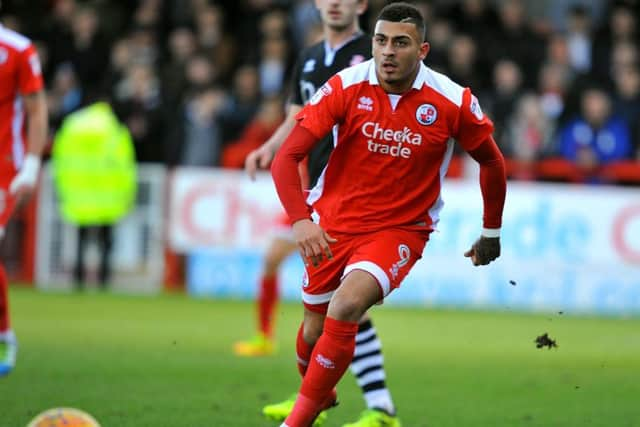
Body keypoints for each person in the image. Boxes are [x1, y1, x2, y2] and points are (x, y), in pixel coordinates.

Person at [270, 3, 506, 426]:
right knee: (311, 333)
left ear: (423, 50)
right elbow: (287, 157)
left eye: (401, 43)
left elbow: (492, 163)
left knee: (345, 307)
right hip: (334, 223)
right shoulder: (345, 85)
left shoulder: (452, 101)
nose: (388, 52)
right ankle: (319, 391)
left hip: (400, 229)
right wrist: (301, 219)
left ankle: (298, 421)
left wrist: (491, 230)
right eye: (381, 41)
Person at [241, 1, 403, 426]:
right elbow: (297, 116)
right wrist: (271, 147)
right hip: (318, 191)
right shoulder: (311, 57)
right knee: (335, 309)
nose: (334, 3)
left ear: (360, 5)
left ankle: (355, 405)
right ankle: (347, 402)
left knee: (343, 306)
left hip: (358, 194)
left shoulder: (375, 57)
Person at [0, 18, 48, 375]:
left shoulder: (17, 48)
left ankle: (4, 335)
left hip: (4, 166)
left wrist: (31, 166)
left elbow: (36, 109)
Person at [51, 98, 137, 289]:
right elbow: (125, 164)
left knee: (81, 240)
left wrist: (64, 187)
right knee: (105, 241)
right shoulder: (114, 129)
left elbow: (60, 158)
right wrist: (127, 193)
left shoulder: (72, 126)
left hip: (79, 194)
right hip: (108, 196)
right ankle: (104, 280)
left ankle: (79, 278)